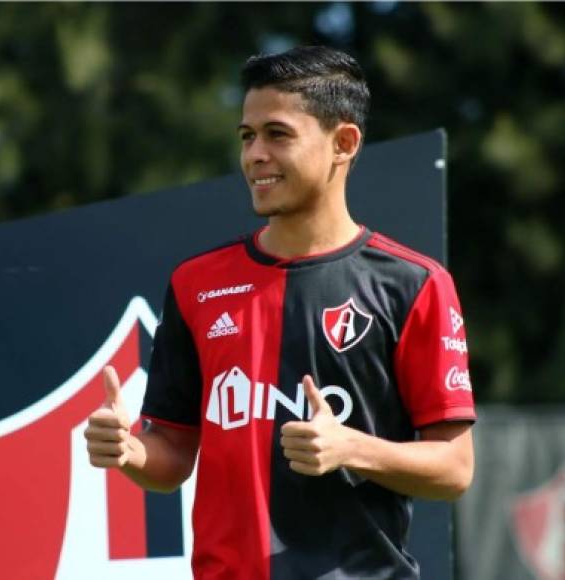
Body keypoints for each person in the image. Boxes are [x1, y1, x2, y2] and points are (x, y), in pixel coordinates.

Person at [84, 45, 476, 579]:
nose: (254, 155)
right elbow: (172, 455)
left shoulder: (416, 284)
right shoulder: (196, 284)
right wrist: (129, 450)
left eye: (277, 134)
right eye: (247, 137)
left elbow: (454, 467)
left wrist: (350, 448)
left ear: (343, 142)